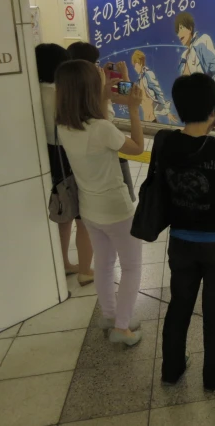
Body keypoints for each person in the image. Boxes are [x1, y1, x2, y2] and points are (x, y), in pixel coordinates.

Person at [158, 73, 215, 391]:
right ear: (214, 110)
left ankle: (172, 369)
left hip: (181, 239)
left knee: (179, 303)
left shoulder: (166, 143)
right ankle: (214, 373)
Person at [55, 59, 146, 346]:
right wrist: (133, 109)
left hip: (90, 211)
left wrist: (119, 83)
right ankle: (122, 327)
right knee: (131, 267)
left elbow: (100, 107)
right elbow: (138, 148)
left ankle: (110, 315)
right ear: (90, 90)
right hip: (117, 210)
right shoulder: (102, 129)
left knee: (105, 264)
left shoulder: (64, 126)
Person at [36, 43, 94, 285]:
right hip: (66, 155)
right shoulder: (59, 94)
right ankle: (82, 268)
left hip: (46, 156)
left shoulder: (32, 91)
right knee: (78, 213)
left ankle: (62, 262)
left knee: (62, 212)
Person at [66, 41, 137, 203]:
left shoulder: (69, 93)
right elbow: (127, 99)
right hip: (104, 148)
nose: (99, 67)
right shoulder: (95, 91)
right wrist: (124, 74)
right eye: (95, 63)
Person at [130, 50, 178, 124]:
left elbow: (158, 93)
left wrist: (167, 112)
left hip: (151, 119)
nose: (134, 68)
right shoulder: (139, 81)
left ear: (140, 63)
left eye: (135, 65)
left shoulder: (148, 75)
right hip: (145, 120)